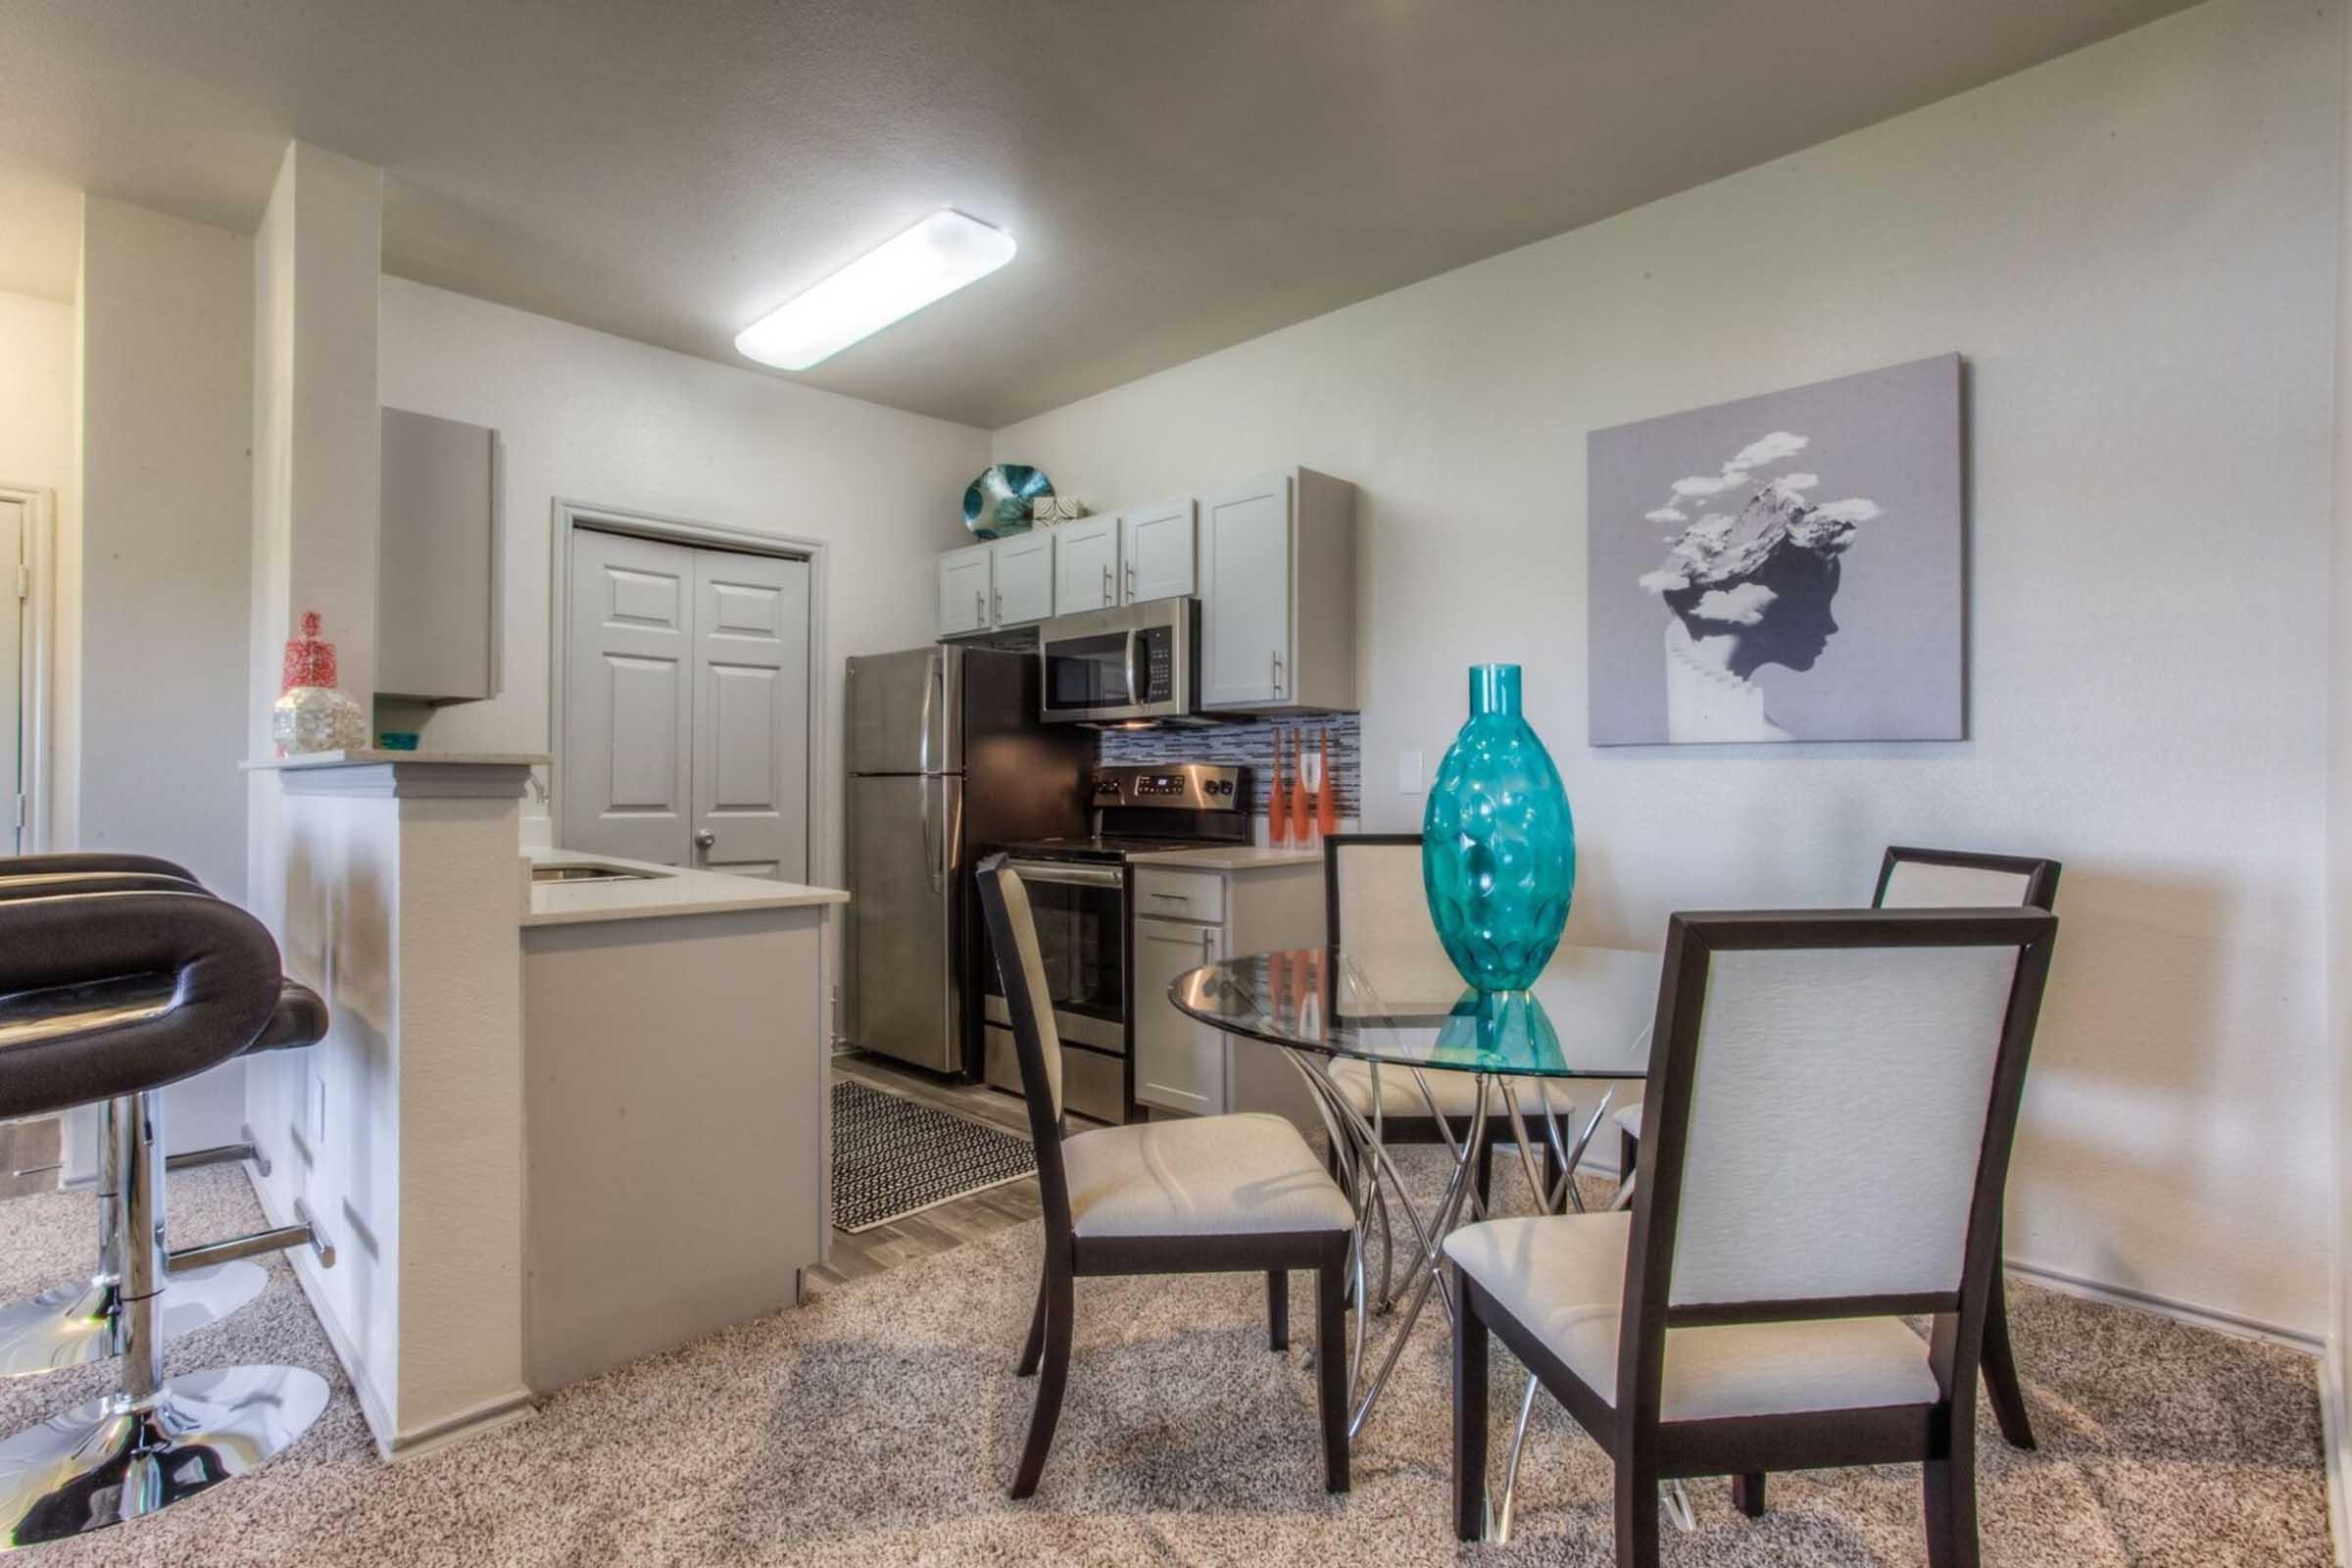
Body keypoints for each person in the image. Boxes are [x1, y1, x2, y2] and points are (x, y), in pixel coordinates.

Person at [1637, 458, 1877, 743]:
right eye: (1810, 604)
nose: (1829, 625)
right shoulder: (1770, 741)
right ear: (1739, 591)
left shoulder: (1669, 691)